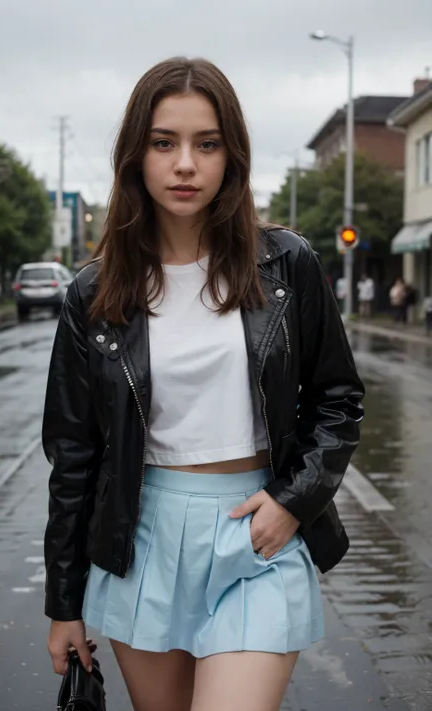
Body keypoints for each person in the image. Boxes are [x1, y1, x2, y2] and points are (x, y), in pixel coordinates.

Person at [43, 57, 365, 711]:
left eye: (206, 143)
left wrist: (293, 500)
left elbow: (338, 399)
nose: (185, 163)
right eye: (165, 142)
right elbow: (73, 455)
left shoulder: (286, 265)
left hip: (257, 529)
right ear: (137, 153)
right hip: (142, 536)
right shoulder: (93, 292)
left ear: (231, 156)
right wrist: (64, 603)